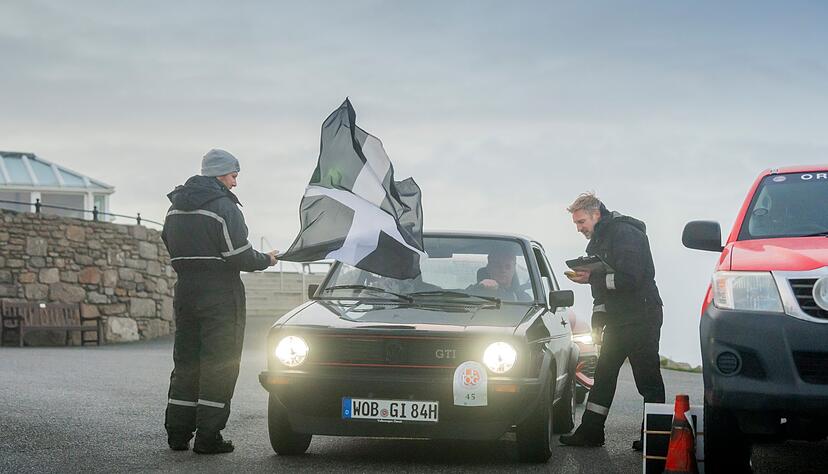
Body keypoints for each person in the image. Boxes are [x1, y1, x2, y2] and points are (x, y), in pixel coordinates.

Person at [161, 149, 278, 454]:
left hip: (185, 290)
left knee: (186, 362)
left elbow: (168, 242)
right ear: (219, 175)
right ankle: (208, 436)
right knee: (220, 363)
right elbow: (238, 254)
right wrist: (266, 259)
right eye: (233, 176)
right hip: (220, 294)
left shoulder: (175, 209)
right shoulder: (224, 207)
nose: (235, 183)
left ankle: (177, 433)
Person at [559, 192, 665, 451]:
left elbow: (631, 279)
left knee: (647, 380)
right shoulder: (598, 241)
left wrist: (591, 279)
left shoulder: (625, 234)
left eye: (581, 222)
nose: (579, 228)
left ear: (596, 215)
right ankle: (591, 432)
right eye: (576, 224)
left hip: (642, 317)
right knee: (604, 375)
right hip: (619, 320)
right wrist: (598, 319)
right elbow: (604, 291)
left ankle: (657, 439)